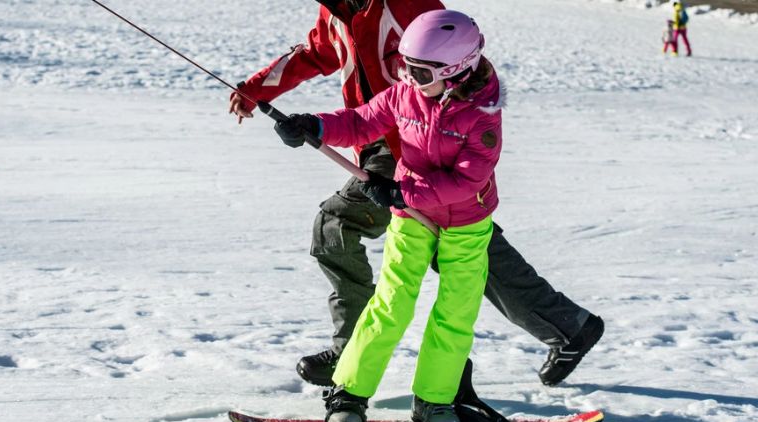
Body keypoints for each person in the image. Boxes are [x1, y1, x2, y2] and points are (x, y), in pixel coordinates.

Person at [228, 0, 603, 389]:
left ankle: (351, 354)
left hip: (416, 149)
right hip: (377, 135)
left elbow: (459, 55)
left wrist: (413, 177)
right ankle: (567, 326)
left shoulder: (409, 5)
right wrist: (259, 91)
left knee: (338, 224)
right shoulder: (336, 10)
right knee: (461, 248)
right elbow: (317, 54)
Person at [275, 10, 500, 422]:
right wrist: (314, 125)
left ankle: (434, 401)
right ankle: (350, 392)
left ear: (455, 72)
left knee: (456, 312)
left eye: (418, 71)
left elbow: (469, 178)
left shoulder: (482, 114)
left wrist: (402, 192)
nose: (408, 77)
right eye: (403, 67)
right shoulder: (405, 96)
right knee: (391, 304)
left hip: (466, 224)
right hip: (411, 220)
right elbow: (360, 122)